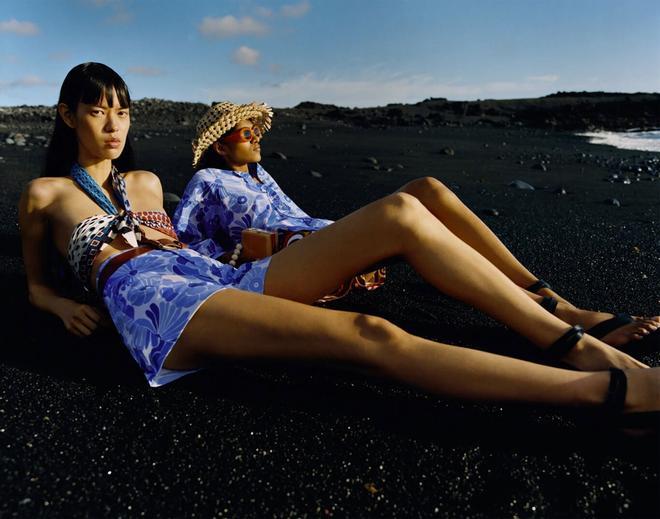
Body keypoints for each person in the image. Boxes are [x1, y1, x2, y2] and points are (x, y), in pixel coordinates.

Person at [18, 62, 660, 431]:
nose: (113, 124)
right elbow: (35, 283)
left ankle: (579, 340)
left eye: (123, 112)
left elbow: (201, 245)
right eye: (98, 111)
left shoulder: (149, 181)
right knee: (367, 336)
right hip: (154, 302)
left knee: (408, 209)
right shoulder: (44, 194)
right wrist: (53, 305)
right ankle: (612, 395)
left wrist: (274, 255)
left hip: (207, 276)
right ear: (68, 115)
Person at [173, 102, 659, 348]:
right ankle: (559, 323)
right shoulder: (206, 183)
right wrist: (246, 255)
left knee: (426, 187)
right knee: (406, 213)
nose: (256, 135)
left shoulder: (262, 174)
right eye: (245, 131)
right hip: (287, 259)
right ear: (219, 145)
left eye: (256, 129)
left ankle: (554, 298)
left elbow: (297, 213)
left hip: (317, 239)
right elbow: (185, 249)